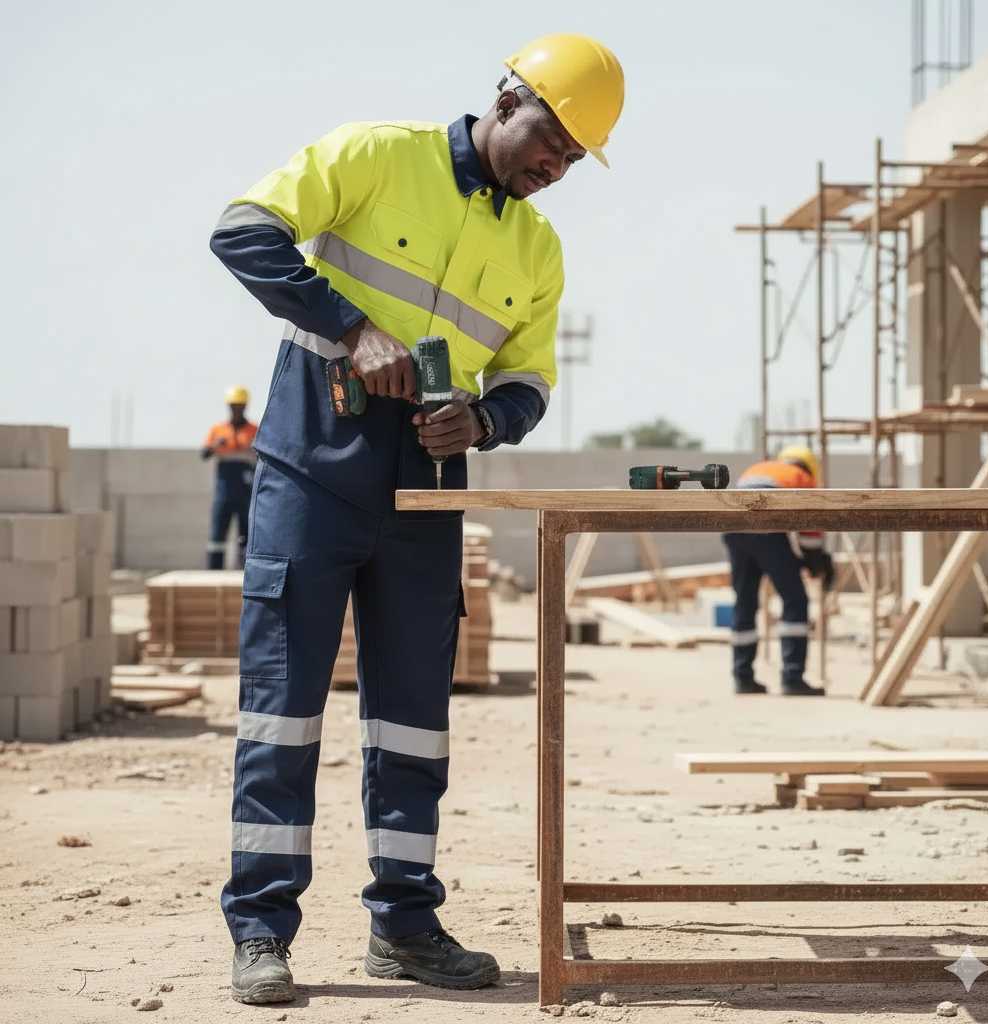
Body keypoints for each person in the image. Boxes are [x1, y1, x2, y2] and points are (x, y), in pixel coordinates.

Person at [209, 35, 625, 1004]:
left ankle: (403, 924)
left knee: (413, 724)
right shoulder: (375, 154)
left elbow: (529, 378)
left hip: (428, 493)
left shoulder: (536, 248)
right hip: (313, 468)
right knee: (284, 710)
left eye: (569, 161)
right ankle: (261, 931)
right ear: (507, 97)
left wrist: (481, 416)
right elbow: (241, 229)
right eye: (548, 141)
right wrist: (353, 328)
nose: (551, 169)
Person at [723, 445, 834, 697]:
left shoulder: (758, 468)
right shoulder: (802, 478)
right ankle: (792, 678)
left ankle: (742, 678)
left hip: (733, 528)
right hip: (766, 529)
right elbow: (810, 531)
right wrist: (816, 561)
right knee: (795, 600)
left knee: (745, 602)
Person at [201, 387, 258, 569]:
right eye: (234, 406)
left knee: (246, 535)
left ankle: (246, 573)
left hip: (245, 492)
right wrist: (215, 445)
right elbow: (203, 454)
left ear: (245, 406)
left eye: (240, 406)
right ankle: (213, 573)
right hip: (223, 492)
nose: (237, 409)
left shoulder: (254, 431)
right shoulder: (218, 430)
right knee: (217, 535)